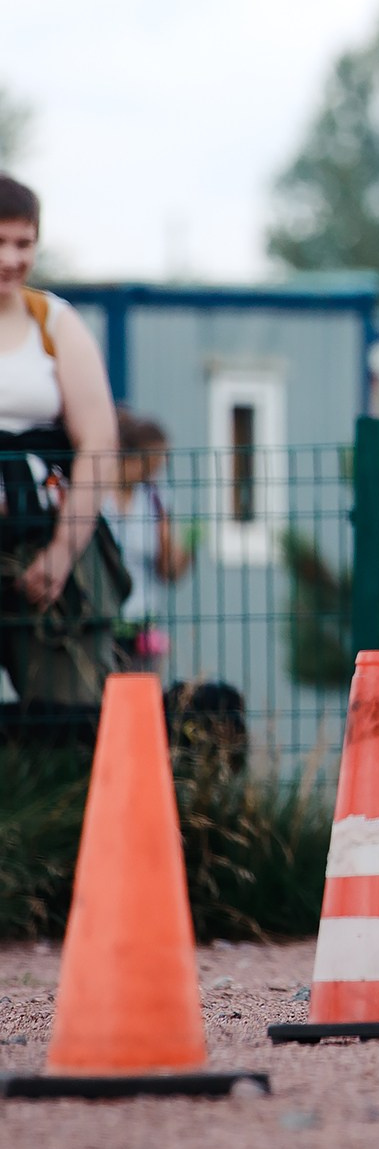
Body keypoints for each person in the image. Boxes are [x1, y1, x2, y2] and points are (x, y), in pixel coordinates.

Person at [0, 176, 125, 747]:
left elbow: (97, 445)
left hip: (44, 543)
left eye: (23, 244)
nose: (10, 259)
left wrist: (62, 552)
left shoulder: (55, 324)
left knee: (67, 710)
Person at [102, 407, 194, 665]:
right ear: (127, 454)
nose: (153, 474)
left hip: (142, 627)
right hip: (99, 624)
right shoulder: (95, 496)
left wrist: (189, 546)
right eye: (149, 463)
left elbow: (168, 570)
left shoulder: (155, 498)